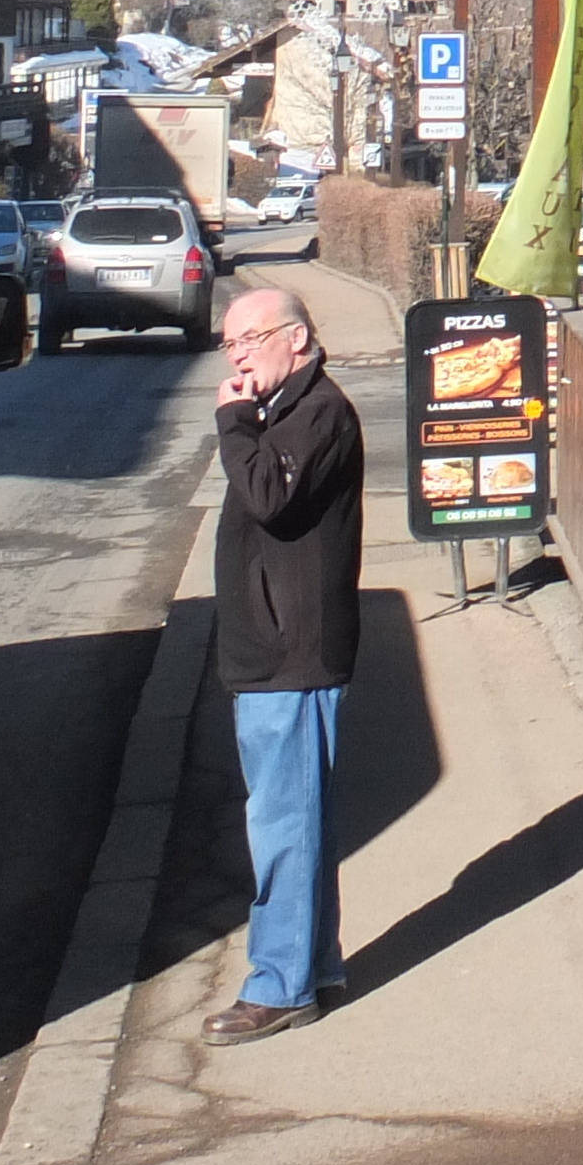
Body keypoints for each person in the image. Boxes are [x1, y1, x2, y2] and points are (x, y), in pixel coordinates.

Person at [206, 285, 363, 1043]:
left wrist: (232, 421)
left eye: (250, 338)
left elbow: (269, 495)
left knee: (283, 826)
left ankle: (279, 985)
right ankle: (314, 968)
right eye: (229, 343)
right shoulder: (287, 409)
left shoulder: (319, 411)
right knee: (299, 819)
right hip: (274, 653)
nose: (237, 355)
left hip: (291, 656)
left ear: (296, 339)